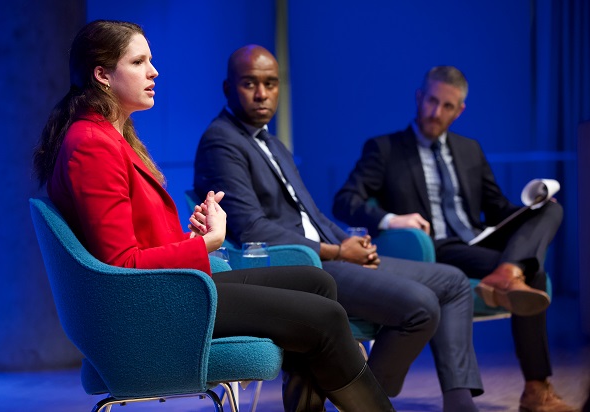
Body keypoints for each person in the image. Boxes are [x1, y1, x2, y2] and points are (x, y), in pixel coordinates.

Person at [32, 20, 397, 412]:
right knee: (323, 317)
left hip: (166, 289)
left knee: (315, 281)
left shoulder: (108, 135)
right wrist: (207, 244)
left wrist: (190, 240)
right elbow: (122, 264)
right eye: (138, 62)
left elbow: (136, 247)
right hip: (153, 306)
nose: (154, 71)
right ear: (102, 75)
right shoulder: (91, 144)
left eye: (150, 60)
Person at [194, 45, 484, 412]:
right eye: (250, 83)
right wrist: (336, 251)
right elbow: (253, 228)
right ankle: (366, 400)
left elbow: (311, 213)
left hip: (332, 255)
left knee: (454, 282)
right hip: (299, 265)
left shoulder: (273, 142)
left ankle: (458, 403)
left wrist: (350, 240)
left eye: (271, 83)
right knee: (421, 306)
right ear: (227, 89)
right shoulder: (221, 140)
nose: (262, 93)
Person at [332, 66, 576, 412]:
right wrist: (392, 218)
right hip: (437, 250)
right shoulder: (385, 149)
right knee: (532, 273)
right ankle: (536, 386)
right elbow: (345, 200)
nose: (436, 112)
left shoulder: (469, 150)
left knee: (551, 210)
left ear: (459, 110)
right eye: (431, 101)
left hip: (477, 240)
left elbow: (496, 209)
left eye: (447, 106)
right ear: (419, 97)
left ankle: (507, 271)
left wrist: (532, 206)